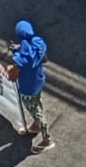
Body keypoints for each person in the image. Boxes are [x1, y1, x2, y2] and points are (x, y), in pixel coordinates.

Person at [8, 19, 54, 154]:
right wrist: (20, 48)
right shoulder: (39, 43)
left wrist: (14, 59)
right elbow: (41, 57)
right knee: (37, 102)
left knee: (36, 111)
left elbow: (12, 75)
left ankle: (47, 139)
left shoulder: (20, 59)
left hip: (27, 88)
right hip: (38, 81)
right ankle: (35, 125)